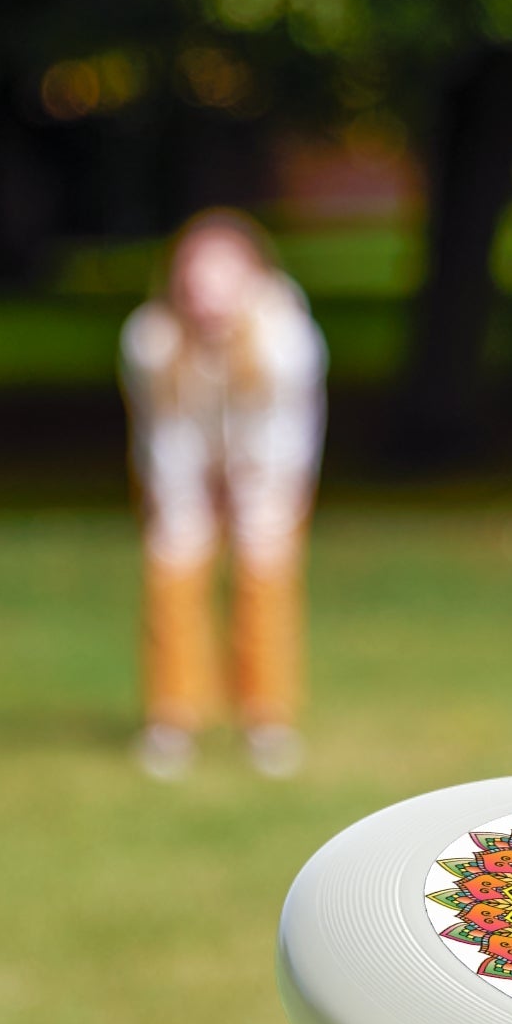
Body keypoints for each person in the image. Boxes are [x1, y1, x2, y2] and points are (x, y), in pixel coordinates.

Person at [121, 209, 327, 780]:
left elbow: (284, 433)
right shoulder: (151, 340)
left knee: (265, 578)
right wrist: (186, 501)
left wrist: (253, 495)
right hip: (182, 470)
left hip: (268, 471)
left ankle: (267, 719)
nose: (207, 293)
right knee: (172, 571)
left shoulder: (286, 338)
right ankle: (173, 717)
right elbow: (164, 433)